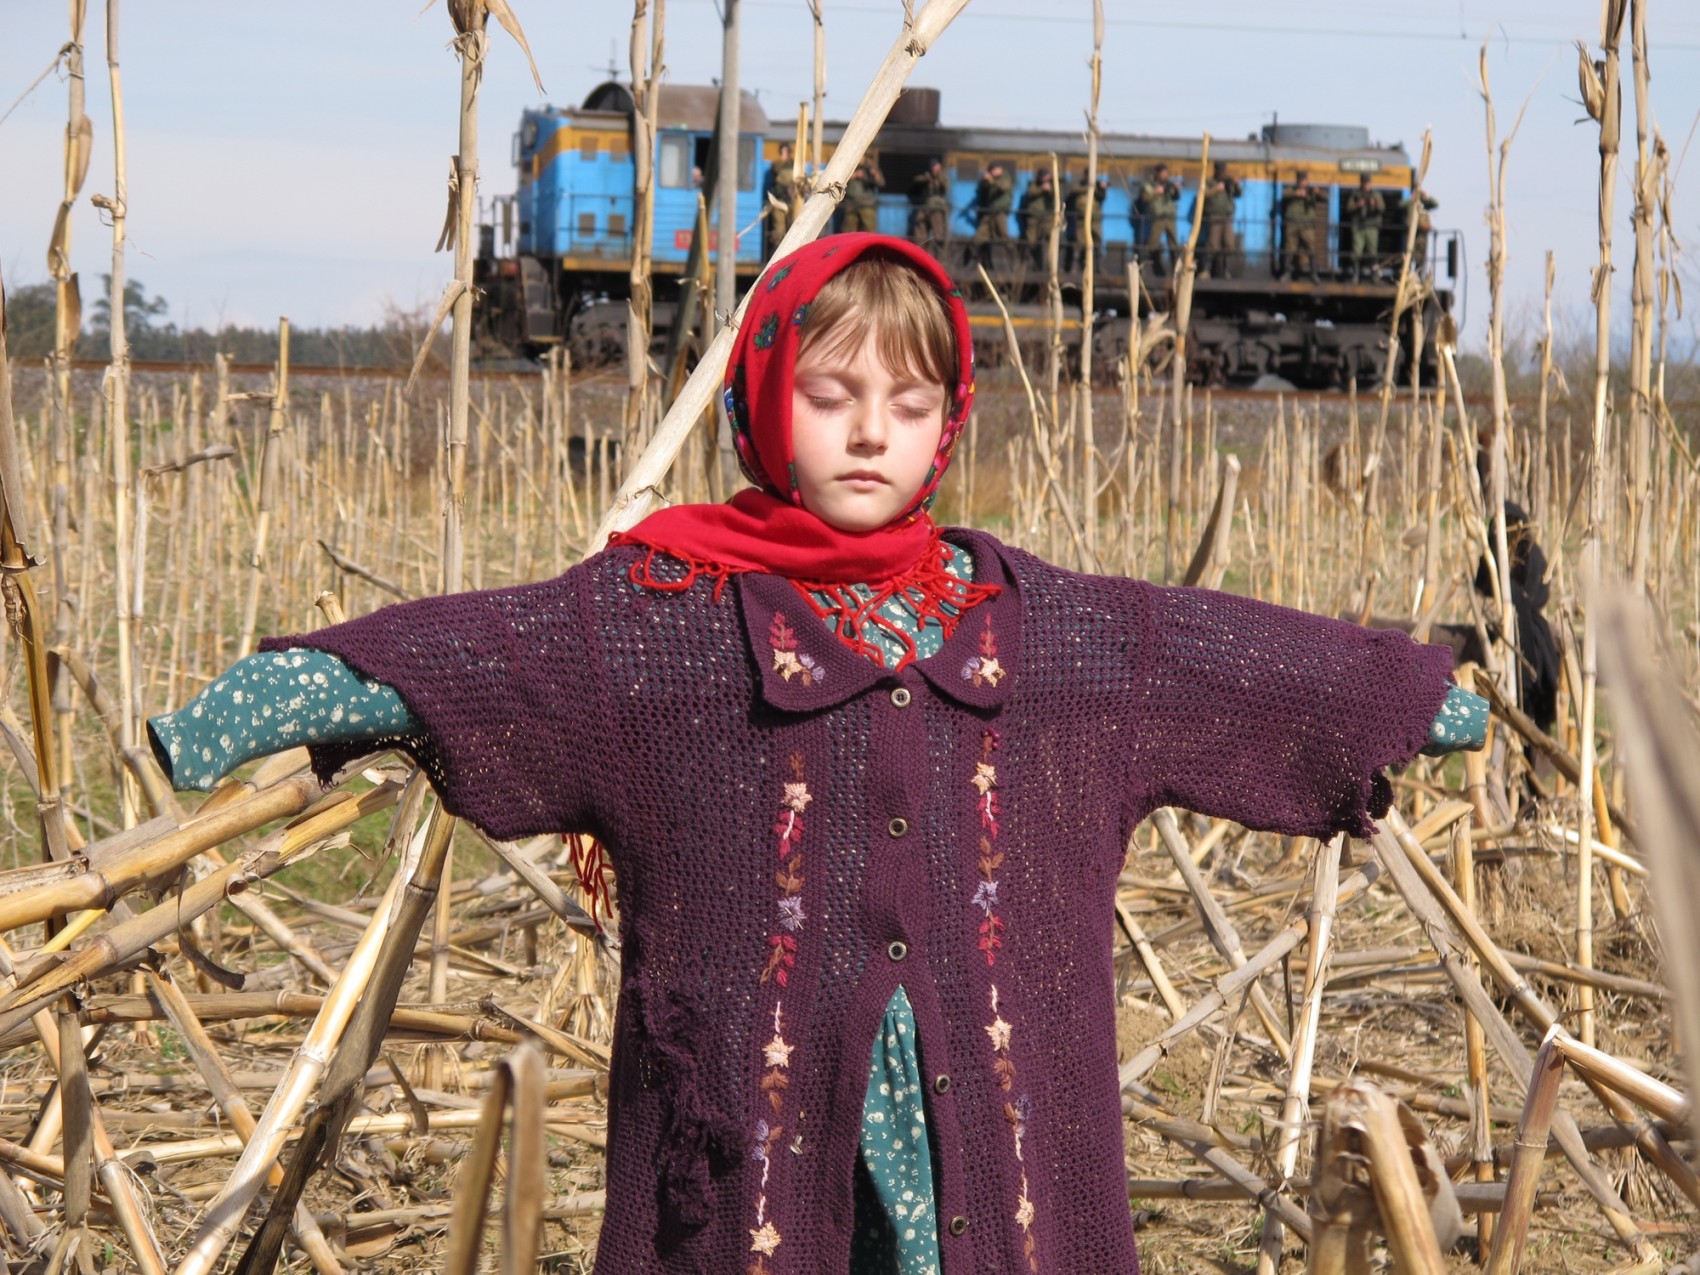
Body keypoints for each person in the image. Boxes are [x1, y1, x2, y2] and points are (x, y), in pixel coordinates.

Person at [147, 232, 1486, 1275]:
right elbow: (471, 652)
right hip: (751, 1128)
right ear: (767, 399)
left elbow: (1251, 661)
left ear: (946, 418)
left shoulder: (1067, 638)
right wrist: (255, 706)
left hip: (1004, 1139)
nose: (866, 433)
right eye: (831, 394)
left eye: (905, 404)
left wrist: (1428, 700)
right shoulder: (662, 623)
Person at [1280, 170, 1328, 282]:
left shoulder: (1311, 191)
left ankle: (1314, 273)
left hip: (1307, 225)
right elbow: (1284, 194)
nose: (1303, 183)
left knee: (1311, 248)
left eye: (1304, 181)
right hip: (1292, 224)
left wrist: (1318, 192)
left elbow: (1326, 198)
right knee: (1289, 248)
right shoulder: (1292, 190)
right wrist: (1296, 193)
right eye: (1300, 181)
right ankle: (1287, 272)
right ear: (1297, 181)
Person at [1136, 162, 1183, 277]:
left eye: (1166, 173)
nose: (1165, 175)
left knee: (1173, 245)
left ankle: (1176, 271)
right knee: (1152, 244)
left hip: (1169, 217)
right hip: (1157, 218)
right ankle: (1144, 269)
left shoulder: (1169, 185)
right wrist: (1157, 192)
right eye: (1162, 173)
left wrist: (1175, 189)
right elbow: (1145, 198)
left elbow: (1176, 197)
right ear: (1157, 174)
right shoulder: (1149, 185)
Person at [1200, 163, 1241, 280]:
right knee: (1213, 244)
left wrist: (1235, 184)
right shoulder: (1210, 182)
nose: (1223, 172)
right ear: (1216, 170)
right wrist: (1216, 189)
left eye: (1224, 170)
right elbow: (1204, 194)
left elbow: (1238, 194)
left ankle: (1226, 270)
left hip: (1227, 217)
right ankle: (1206, 270)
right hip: (1215, 216)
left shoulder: (1229, 182)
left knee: (1229, 244)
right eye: (1221, 170)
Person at [1062, 172, 1109, 272]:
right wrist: (1089, 188)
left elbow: (1102, 197)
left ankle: (1097, 267)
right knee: (1081, 244)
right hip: (1081, 220)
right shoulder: (1079, 186)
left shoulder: (1098, 187)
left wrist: (1101, 188)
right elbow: (1073, 190)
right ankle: (1080, 266)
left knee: (1096, 242)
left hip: (1094, 220)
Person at [1342, 173, 1384, 282]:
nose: (1366, 185)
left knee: (1372, 252)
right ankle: (1355, 275)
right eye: (1364, 183)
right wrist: (1358, 205)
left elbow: (1382, 208)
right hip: (1358, 226)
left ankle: (1374, 275)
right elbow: (1349, 208)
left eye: (1368, 183)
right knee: (1357, 251)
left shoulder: (1376, 194)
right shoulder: (1356, 194)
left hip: (1371, 226)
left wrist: (1374, 203)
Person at [972, 162, 1014, 261]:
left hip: (1000, 212)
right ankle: (973, 260)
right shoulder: (991, 180)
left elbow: (1004, 187)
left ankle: (1014, 258)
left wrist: (991, 180)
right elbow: (981, 190)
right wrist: (984, 180)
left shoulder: (1005, 177)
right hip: (989, 212)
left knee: (1003, 236)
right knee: (979, 236)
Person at [765, 143, 801, 257]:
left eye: (786, 151)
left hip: (792, 201)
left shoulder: (794, 164)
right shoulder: (776, 164)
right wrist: (783, 160)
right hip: (779, 200)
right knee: (778, 231)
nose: (785, 153)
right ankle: (776, 255)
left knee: (793, 228)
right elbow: (776, 172)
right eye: (783, 151)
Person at [910, 157, 951, 250]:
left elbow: (945, 186)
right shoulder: (927, 176)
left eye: (935, 166)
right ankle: (919, 252)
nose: (933, 168)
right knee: (920, 229)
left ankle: (938, 259)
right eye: (932, 166)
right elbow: (917, 179)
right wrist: (928, 178)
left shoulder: (943, 177)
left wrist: (937, 175)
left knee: (938, 235)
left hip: (937, 208)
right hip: (926, 207)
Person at [1018, 168, 1058, 262]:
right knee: (1031, 240)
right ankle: (1031, 261)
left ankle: (1047, 262)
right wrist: (1042, 189)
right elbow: (1030, 193)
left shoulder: (1053, 184)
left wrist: (1049, 190)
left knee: (1047, 238)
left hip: (1047, 217)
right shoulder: (1033, 184)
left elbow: (1056, 196)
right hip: (1033, 216)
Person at [1402, 183, 1440, 276]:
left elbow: (1435, 204)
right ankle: (1406, 275)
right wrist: (1412, 198)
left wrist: (1426, 196)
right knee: (1409, 255)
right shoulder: (1410, 203)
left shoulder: (1424, 203)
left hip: (1422, 234)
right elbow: (1401, 205)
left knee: (1421, 257)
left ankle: (1418, 276)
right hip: (1411, 234)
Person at [843, 162, 884, 234]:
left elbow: (881, 183)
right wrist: (855, 175)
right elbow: (840, 180)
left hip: (867, 203)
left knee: (869, 229)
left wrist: (874, 174)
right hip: (851, 202)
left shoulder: (870, 167)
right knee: (849, 230)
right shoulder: (848, 165)